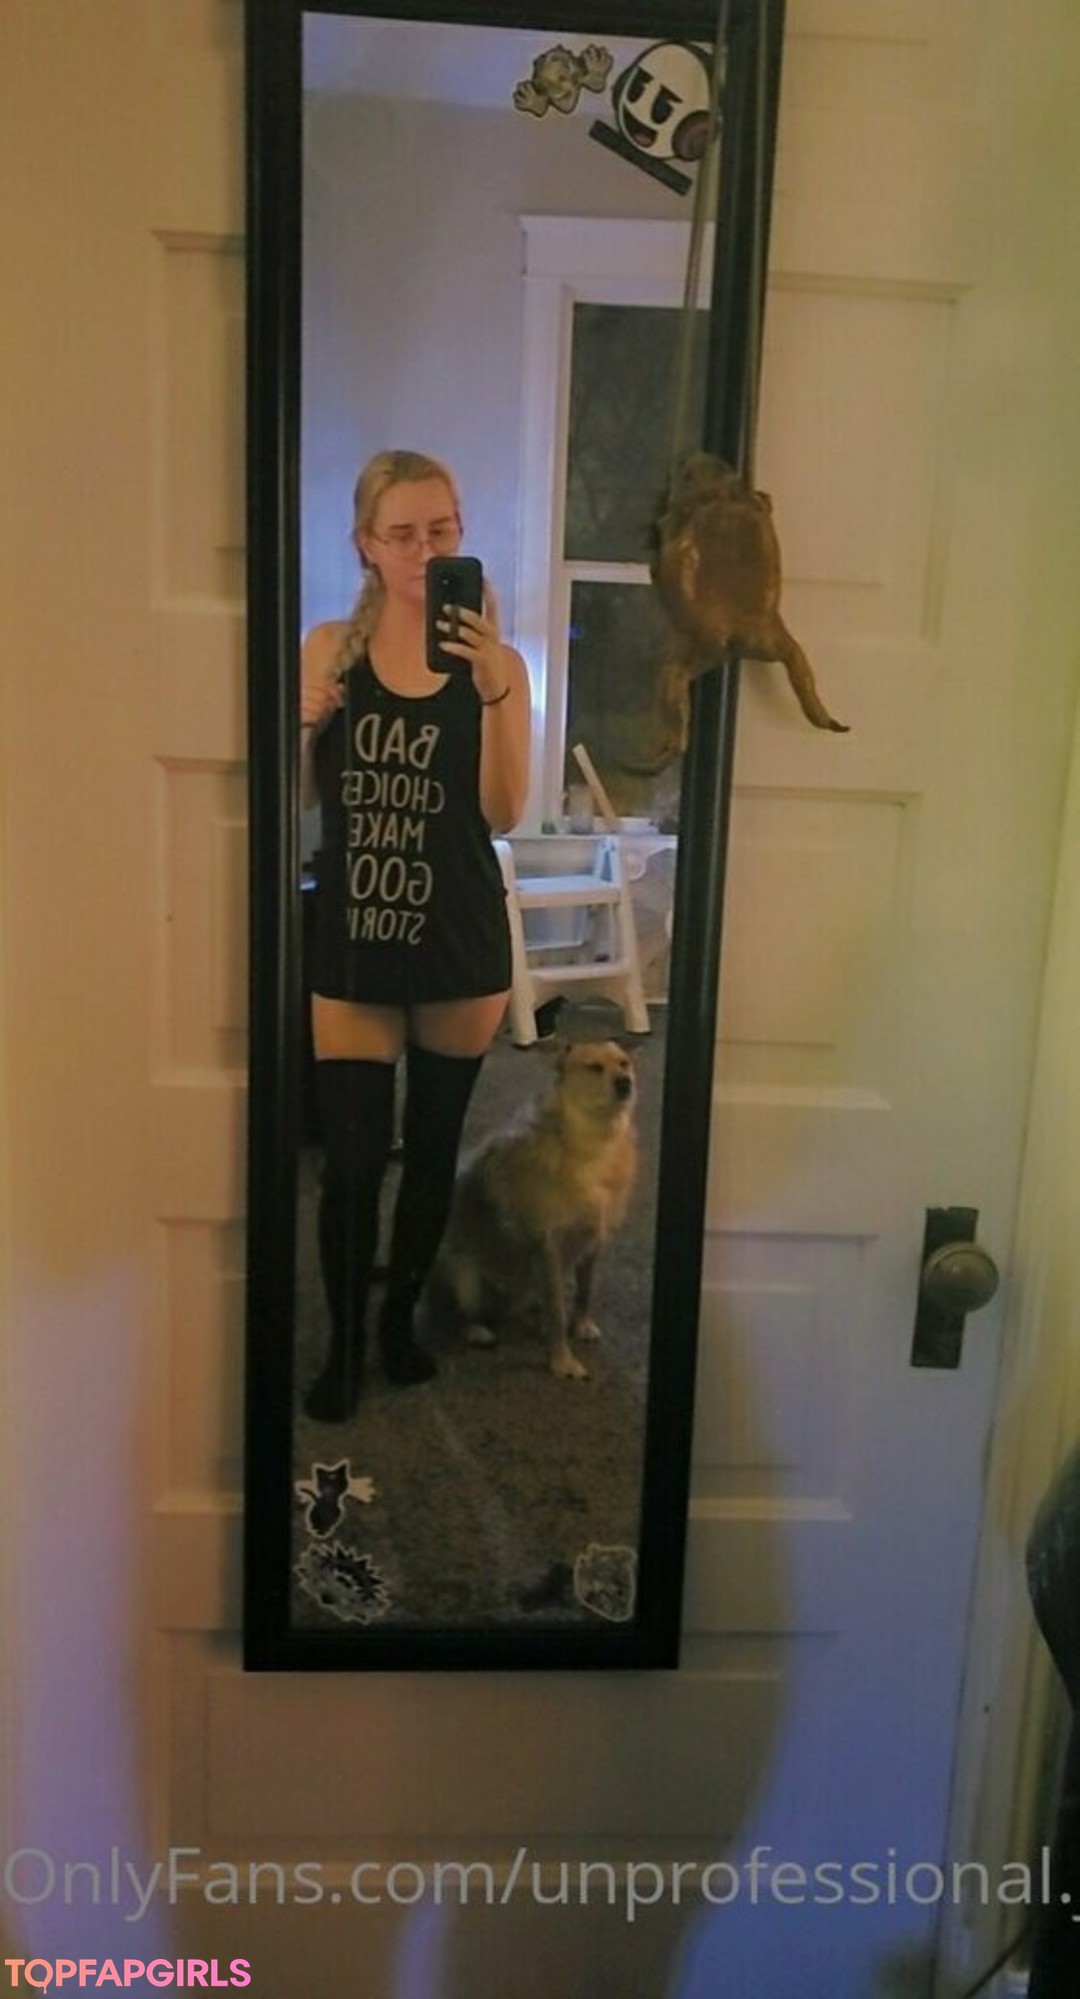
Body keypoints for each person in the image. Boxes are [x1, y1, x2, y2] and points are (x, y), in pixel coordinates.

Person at [299, 449, 530, 1422]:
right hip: (354, 933)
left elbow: (504, 813)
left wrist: (495, 689)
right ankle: (346, 1343)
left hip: (458, 935)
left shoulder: (499, 666)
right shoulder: (326, 649)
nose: (424, 549)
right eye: (402, 533)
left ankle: (398, 1323)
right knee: (353, 1163)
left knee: (433, 1153)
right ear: (366, 544)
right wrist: (300, 726)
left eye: (442, 529)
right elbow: (297, 806)